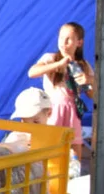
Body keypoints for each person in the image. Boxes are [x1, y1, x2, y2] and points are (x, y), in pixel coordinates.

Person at [26, 22, 94, 159]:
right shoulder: (50, 58)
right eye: (61, 38)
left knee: (75, 150)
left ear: (79, 42)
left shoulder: (83, 65)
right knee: (49, 148)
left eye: (69, 39)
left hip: (73, 111)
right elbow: (32, 72)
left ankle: (72, 173)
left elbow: (91, 95)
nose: (64, 42)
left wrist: (90, 80)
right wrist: (57, 65)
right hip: (53, 110)